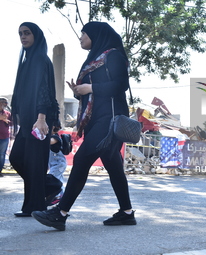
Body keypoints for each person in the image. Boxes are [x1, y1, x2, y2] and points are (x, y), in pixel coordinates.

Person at [32, 22, 136, 231]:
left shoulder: (112, 55)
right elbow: (94, 91)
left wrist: (91, 87)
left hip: (110, 118)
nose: (81, 37)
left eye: (84, 33)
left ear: (96, 35)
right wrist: (79, 91)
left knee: (81, 159)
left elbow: (120, 85)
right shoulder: (94, 59)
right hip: (95, 119)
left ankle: (60, 213)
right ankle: (126, 213)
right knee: (113, 164)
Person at [9, 22, 59, 217]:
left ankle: (35, 206)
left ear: (36, 35)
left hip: (38, 121)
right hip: (28, 121)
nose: (23, 37)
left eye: (27, 33)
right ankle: (48, 187)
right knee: (18, 158)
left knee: (34, 163)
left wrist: (41, 118)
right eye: (20, 33)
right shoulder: (27, 61)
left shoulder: (39, 59)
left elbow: (43, 90)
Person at [47, 120, 67, 206]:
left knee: (52, 179)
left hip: (59, 164)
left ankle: (58, 195)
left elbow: (48, 142)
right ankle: (62, 195)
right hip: (54, 164)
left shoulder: (55, 138)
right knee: (58, 179)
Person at [0, 97, 12, 177]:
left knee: (2, 154)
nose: (5, 104)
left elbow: (12, 123)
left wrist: (6, 121)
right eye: (3, 102)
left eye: (6, 103)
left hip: (4, 137)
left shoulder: (7, 113)